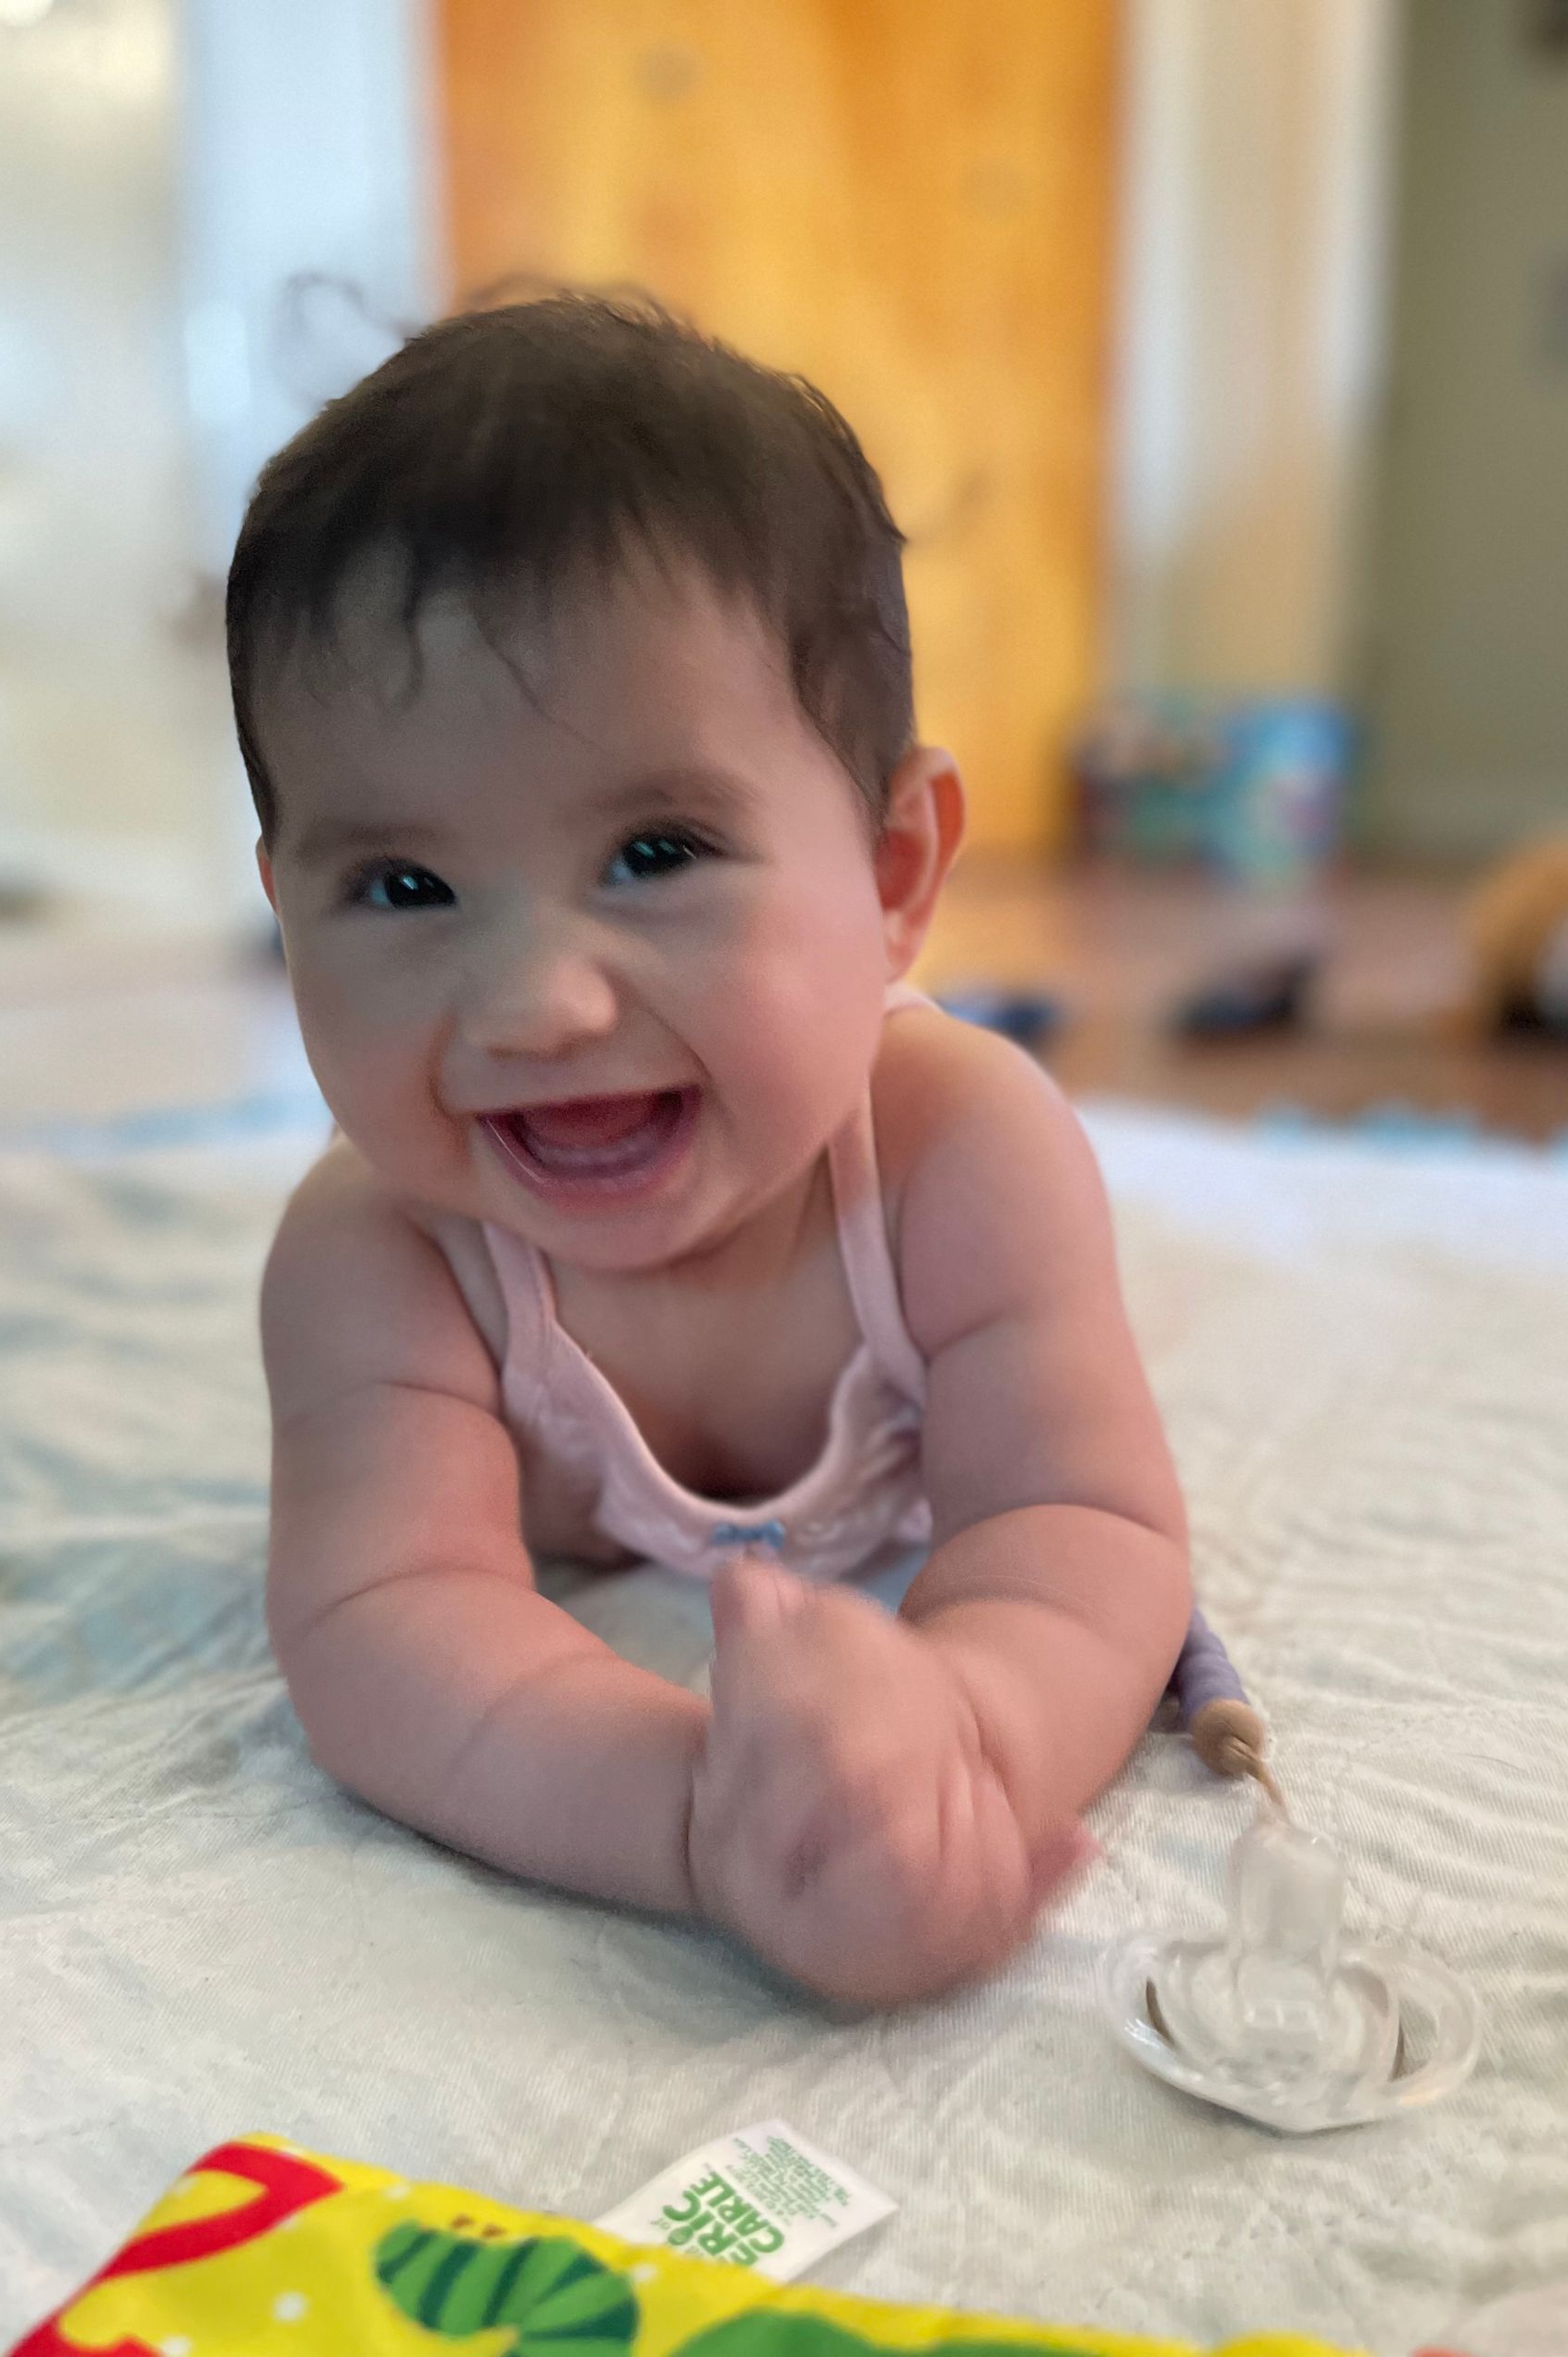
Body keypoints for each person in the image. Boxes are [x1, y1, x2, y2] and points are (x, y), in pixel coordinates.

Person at [230, 292, 1191, 2008]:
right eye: (402, 888)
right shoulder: (381, 1260)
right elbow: (389, 1622)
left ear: (896, 874)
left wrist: (951, 1754)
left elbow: (1078, 1522)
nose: (532, 1006)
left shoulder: (963, 1156)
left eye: (656, 851)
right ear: (283, 911)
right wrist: (702, 1816)